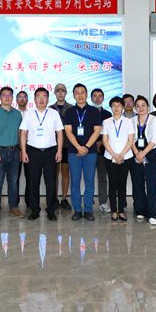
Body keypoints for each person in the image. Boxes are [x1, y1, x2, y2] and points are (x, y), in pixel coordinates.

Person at [19, 87, 64, 221]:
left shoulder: (54, 113)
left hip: (50, 151)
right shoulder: (29, 114)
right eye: (38, 96)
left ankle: (51, 210)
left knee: (51, 182)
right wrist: (24, 151)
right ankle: (35, 210)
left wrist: (59, 151)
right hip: (33, 151)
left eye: (44, 96)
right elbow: (23, 133)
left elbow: (59, 133)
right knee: (33, 182)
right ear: (34, 99)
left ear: (48, 99)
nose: (41, 99)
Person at [63, 83, 102, 221]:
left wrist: (85, 147)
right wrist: (78, 147)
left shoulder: (94, 111)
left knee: (89, 181)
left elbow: (97, 131)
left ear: (86, 94)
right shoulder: (69, 112)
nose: (80, 95)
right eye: (77, 93)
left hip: (90, 152)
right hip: (74, 152)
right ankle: (77, 210)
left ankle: (88, 209)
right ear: (74, 95)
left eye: (83, 92)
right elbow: (68, 131)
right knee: (75, 181)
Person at [0, 87, 25, 220]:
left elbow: (20, 134)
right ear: (0, 97)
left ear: (12, 97)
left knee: (13, 181)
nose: (7, 97)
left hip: (15, 152)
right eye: (4, 95)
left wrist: (21, 150)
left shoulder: (17, 114)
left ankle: (13, 208)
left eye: (10, 95)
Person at [100, 96, 135, 221]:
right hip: (110, 157)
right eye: (114, 105)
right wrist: (114, 155)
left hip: (126, 156)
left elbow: (131, 140)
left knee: (122, 183)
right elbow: (105, 140)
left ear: (122, 107)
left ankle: (121, 210)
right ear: (111, 107)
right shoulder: (106, 122)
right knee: (112, 183)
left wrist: (121, 155)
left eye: (119, 105)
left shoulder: (128, 121)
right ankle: (114, 210)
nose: (116, 108)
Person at [130, 95, 156, 226]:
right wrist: (137, 153)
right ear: (135, 108)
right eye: (138, 106)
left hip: (150, 153)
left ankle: (152, 213)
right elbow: (130, 139)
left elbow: (154, 139)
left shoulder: (155, 120)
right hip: (135, 153)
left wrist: (143, 153)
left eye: (143, 105)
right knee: (137, 183)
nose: (141, 108)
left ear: (148, 107)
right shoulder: (132, 120)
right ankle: (140, 210)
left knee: (151, 184)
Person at [50, 83, 73, 210]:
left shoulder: (72, 108)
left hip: (67, 145)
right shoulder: (49, 108)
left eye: (62, 90)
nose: (60, 92)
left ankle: (64, 199)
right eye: (57, 90)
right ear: (54, 93)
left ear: (66, 93)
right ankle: (53, 198)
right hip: (52, 145)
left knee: (65, 173)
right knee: (53, 174)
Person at [91, 88, 113, 213]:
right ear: (91, 98)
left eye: (100, 96)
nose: (97, 98)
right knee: (88, 178)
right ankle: (88, 200)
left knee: (102, 178)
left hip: (103, 151)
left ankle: (103, 202)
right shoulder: (86, 112)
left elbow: (110, 132)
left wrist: (100, 143)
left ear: (103, 98)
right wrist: (92, 143)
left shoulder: (108, 114)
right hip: (88, 150)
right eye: (95, 96)